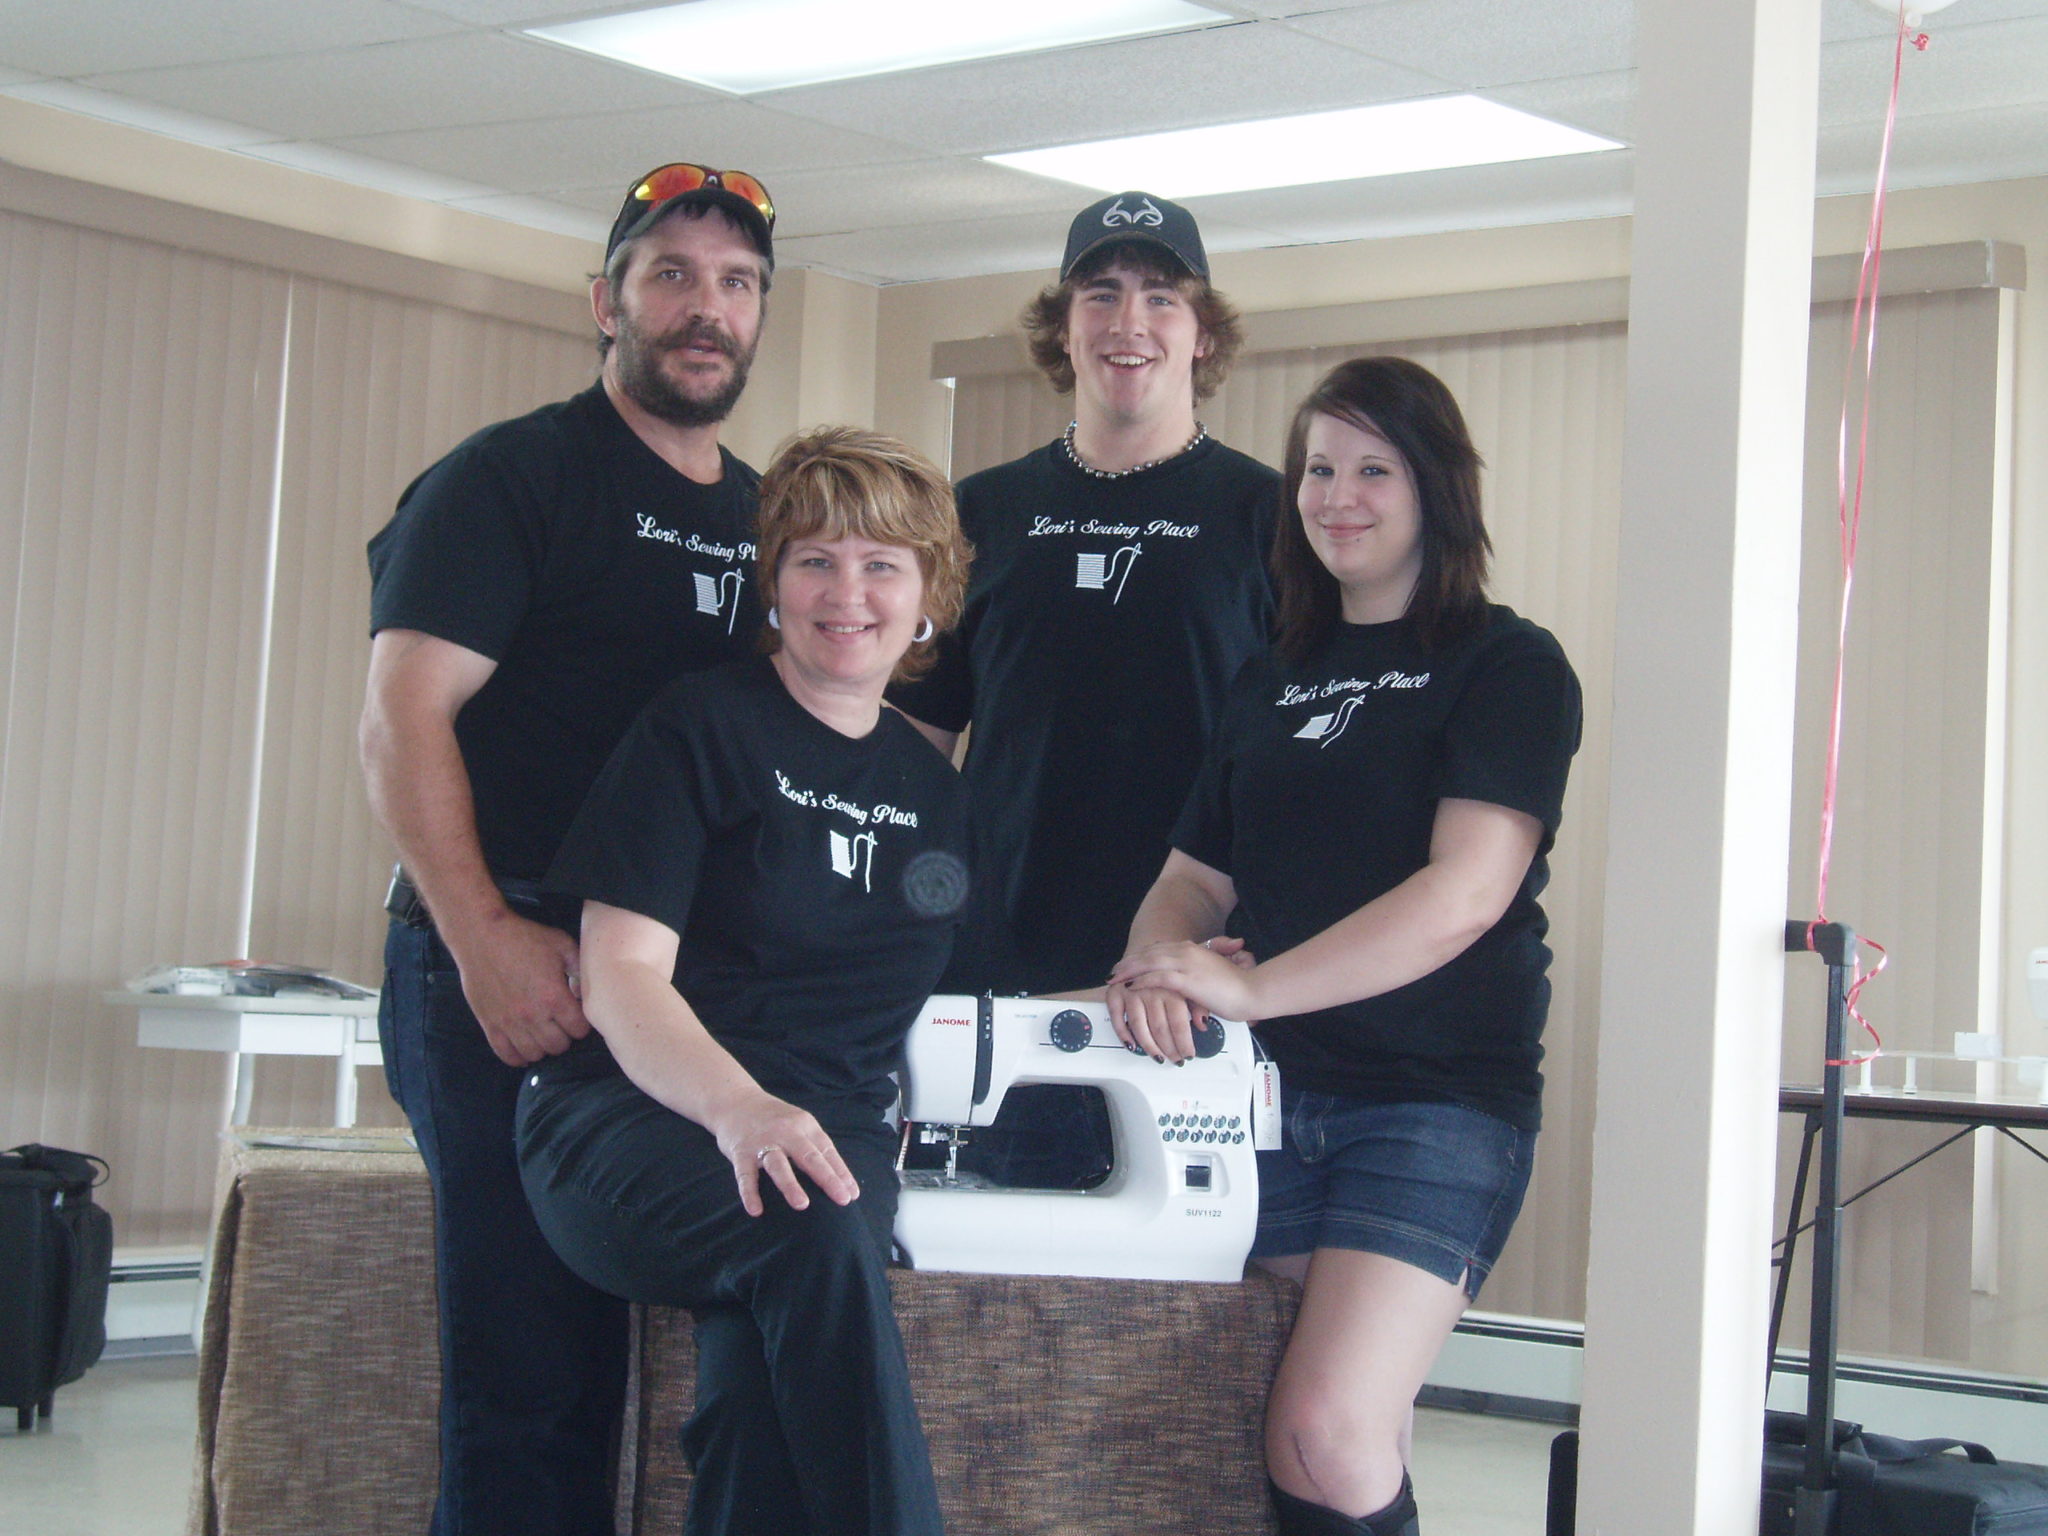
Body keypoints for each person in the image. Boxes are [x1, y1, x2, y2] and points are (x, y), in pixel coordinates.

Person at [359, 161, 778, 1535]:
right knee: (534, 1378)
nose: (705, 309)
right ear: (606, 302)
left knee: (709, 1369)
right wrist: (482, 937)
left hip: (671, 990)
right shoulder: (508, 479)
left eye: (736, 283)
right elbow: (401, 717)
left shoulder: (769, 519)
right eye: (672, 275)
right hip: (511, 966)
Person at [1106, 357, 1583, 1536]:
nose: (1338, 495)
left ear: (1436, 489)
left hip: (1430, 1108)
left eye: (1374, 468)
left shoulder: (1506, 665)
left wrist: (1250, 986)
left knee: (1322, 1426)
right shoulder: (1271, 676)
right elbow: (1188, 878)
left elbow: (1465, 893)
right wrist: (1161, 968)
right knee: (1318, 1434)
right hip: (1264, 1104)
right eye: (1318, 468)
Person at [514, 428, 972, 1536]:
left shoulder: (935, 792)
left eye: (880, 565)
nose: (844, 591)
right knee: (811, 1238)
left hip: (830, 1136)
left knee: (761, 1392)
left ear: (927, 602)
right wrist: (741, 1110)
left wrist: (1161, 978)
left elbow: (965, 983)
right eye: (813, 558)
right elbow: (621, 974)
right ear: (772, 583)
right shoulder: (696, 728)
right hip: (631, 1120)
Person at [890, 191, 1277, 1185]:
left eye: (1161, 298)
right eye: (1098, 295)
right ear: (1063, 329)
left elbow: (1301, 761)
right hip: (1009, 993)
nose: (1128, 324)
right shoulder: (980, 511)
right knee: (1011, 1317)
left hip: (1198, 983)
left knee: (1180, 1320)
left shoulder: (1270, 517)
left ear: (1201, 336)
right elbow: (909, 759)